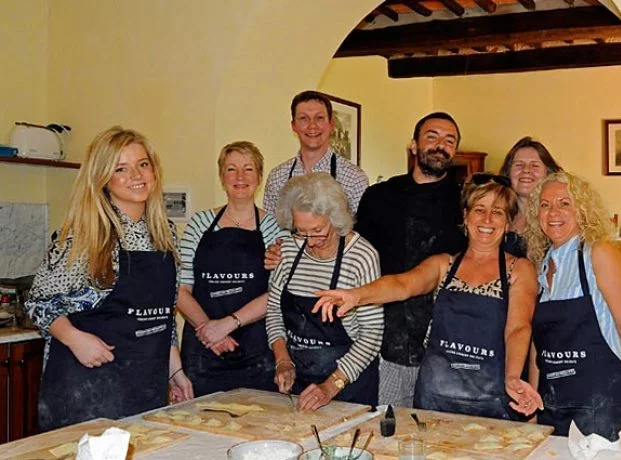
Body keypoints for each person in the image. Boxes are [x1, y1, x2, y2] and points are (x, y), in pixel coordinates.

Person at [315, 173, 541, 419]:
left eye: (497, 212)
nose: (487, 219)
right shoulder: (444, 264)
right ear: (465, 217)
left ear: (508, 223)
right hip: (435, 397)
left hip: (492, 401)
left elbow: (518, 328)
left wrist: (512, 378)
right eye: (479, 209)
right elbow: (402, 284)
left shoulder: (519, 269)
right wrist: (356, 295)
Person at [25, 126, 193, 431]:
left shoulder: (165, 233)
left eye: (143, 164)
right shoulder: (84, 235)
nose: (136, 176)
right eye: (121, 169)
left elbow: (162, 316)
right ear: (103, 178)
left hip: (144, 388)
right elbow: (38, 303)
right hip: (85, 391)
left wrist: (175, 372)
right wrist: (75, 339)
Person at [524, 172, 621, 446]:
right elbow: (539, 346)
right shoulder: (541, 266)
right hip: (553, 408)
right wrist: (534, 404)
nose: (553, 212)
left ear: (582, 210)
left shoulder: (599, 254)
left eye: (564, 203)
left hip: (602, 408)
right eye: (545, 205)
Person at [354, 112, 465, 407]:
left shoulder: (466, 202)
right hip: (385, 331)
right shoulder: (378, 196)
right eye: (432, 136)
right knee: (389, 421)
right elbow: (355, 255)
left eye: (449, 140)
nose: (440, 145)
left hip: (446, 334)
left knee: (443, 429)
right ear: (414, 145)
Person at [266, 173, 383, 410]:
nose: (309, 241)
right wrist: (282, 361)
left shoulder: (361, 256)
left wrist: (331, 386)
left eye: (317, 230)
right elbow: (274, 312)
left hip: (348, 384)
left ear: (335, 218)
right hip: (298, 380)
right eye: (301, 231)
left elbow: (372, 334)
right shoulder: (287, 248)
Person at [177, 141, 281, 396]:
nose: (240, 177)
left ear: (259, 176)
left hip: (256, 352)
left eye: (248, 169)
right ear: (222, 177)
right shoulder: (199, 224)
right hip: (204, 352)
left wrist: (229, 324)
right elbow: (180, 289)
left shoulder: (274, 227)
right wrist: (209, 330)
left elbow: (278, 292)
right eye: (231, 169)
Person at [263, 90, 369, 216]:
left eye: (319, 118)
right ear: (293, 126)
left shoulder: (355, 179)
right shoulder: (277, 177)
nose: (312, 126)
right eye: (304, 118)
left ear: (331, 124)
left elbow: (360, 232)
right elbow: (270, 232)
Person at [498, 136, 562, 257]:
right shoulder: (496, 214)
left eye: (535, 165)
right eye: (519, 165)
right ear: (508, 173)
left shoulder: (559, 217)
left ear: (548, 172)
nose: (526, 170)